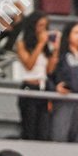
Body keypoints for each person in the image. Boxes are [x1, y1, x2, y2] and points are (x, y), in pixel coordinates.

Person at [16, 11, 60, 141]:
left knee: (43, 129)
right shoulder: (22, 44)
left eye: (45, 26)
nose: (42, 30)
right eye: (40, 25)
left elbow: (49, 70)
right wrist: (40, 44)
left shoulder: (46, 47)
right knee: (29, 128)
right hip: (29, 87)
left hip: (43, 87)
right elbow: (29, 65)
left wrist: (55, 50)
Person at [51, 23, 78, 143]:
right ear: (68, 35)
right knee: (61, 134)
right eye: (76, 33)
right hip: (65, 99)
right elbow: (51, 74)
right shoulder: (61, 55)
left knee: (77, 136)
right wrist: (55, 87)